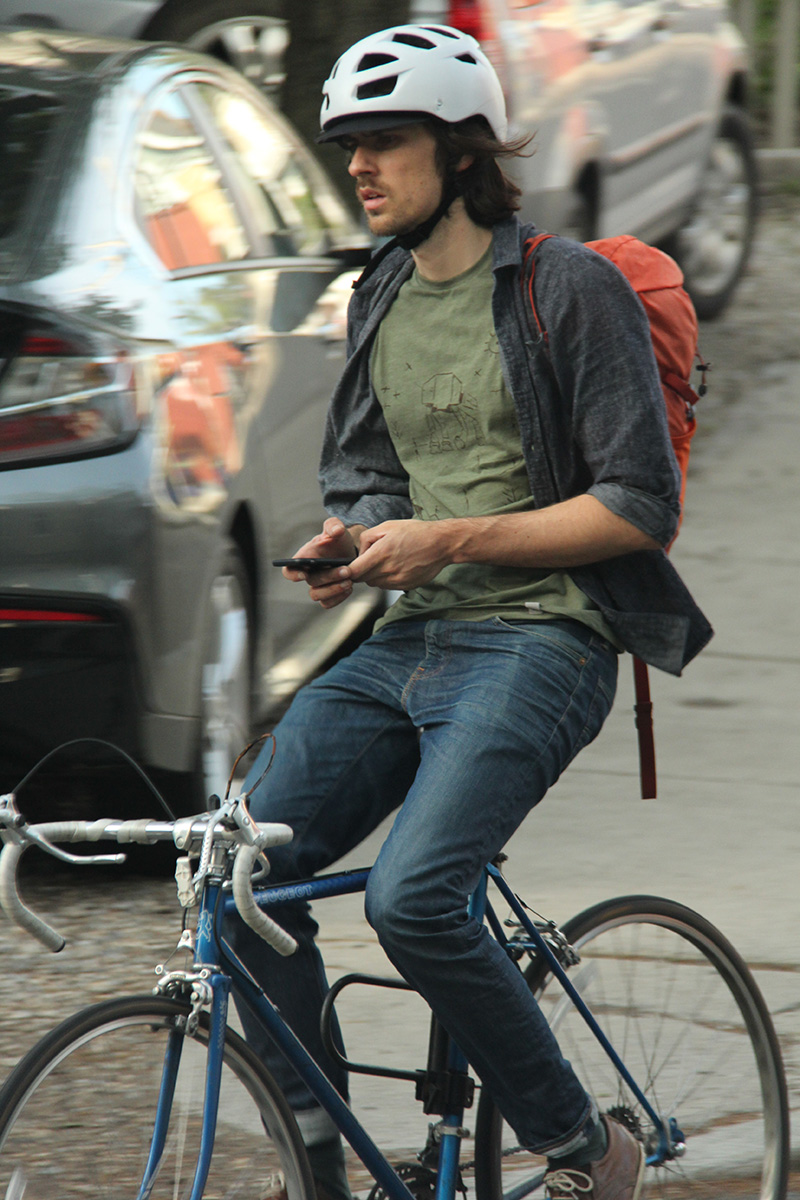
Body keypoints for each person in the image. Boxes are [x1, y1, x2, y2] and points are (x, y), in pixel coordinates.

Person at [229, 23, 712, 1200]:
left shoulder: (568, 286)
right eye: (349, 145)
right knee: (233, 877)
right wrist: (354, 541)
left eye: (383, 142)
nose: (357, 166)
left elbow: (637, 503)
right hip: (407, 639)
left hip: (545, 640)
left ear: (459, 153)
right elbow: (369, 477)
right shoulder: (381, 291)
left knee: (411, 899)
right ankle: (318, 1163)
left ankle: (584, 1147)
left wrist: (445, 539)